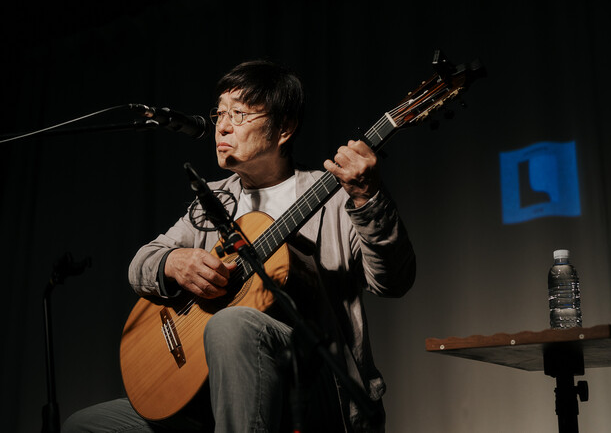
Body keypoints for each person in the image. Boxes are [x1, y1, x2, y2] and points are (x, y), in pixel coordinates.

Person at [63, 60, 416, 432]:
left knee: (232, 323)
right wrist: (174, 262)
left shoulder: (331, 197)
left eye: (240, 114)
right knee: (84, 426)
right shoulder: (212, 200)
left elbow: (393, 282)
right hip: (213, 394)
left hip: (315, 387)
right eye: (220, 113)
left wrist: (368, 197)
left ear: (285, 128)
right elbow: (140, 264)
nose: (223, 126)